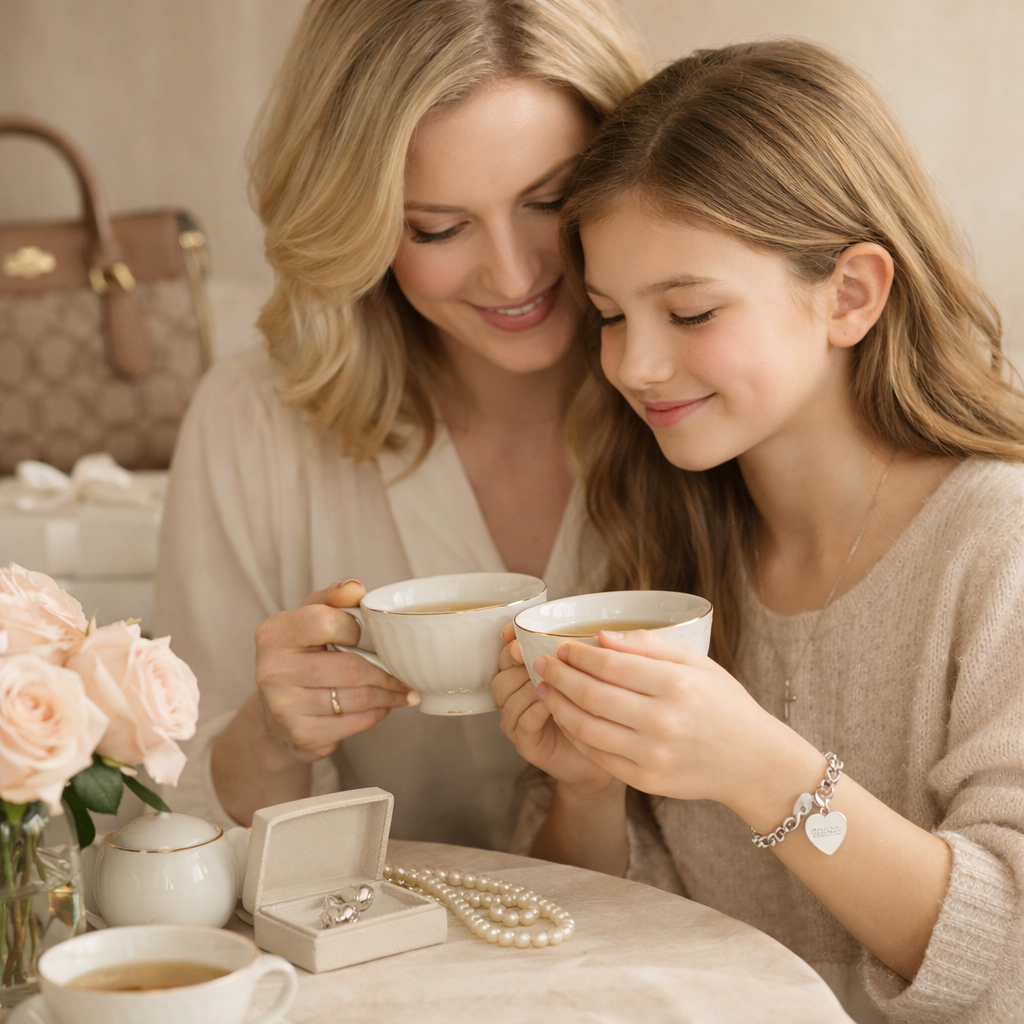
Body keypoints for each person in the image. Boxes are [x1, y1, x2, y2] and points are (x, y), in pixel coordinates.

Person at [493, 41, 1024, 1024]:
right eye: (609, 315)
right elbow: (569, 941)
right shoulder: (660, 539)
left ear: (851, 294)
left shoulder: (998, 543)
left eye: (688, 311)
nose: (636, 364)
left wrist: (761, 771)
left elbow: (1010, 963)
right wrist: (584, 790)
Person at [152, 0, 645, 847]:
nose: (516, 271)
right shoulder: (253, 422)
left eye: (552, 200)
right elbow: (160, 816)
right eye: (438, 228)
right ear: (359, 225)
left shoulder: (700, 406)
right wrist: (272, 736)